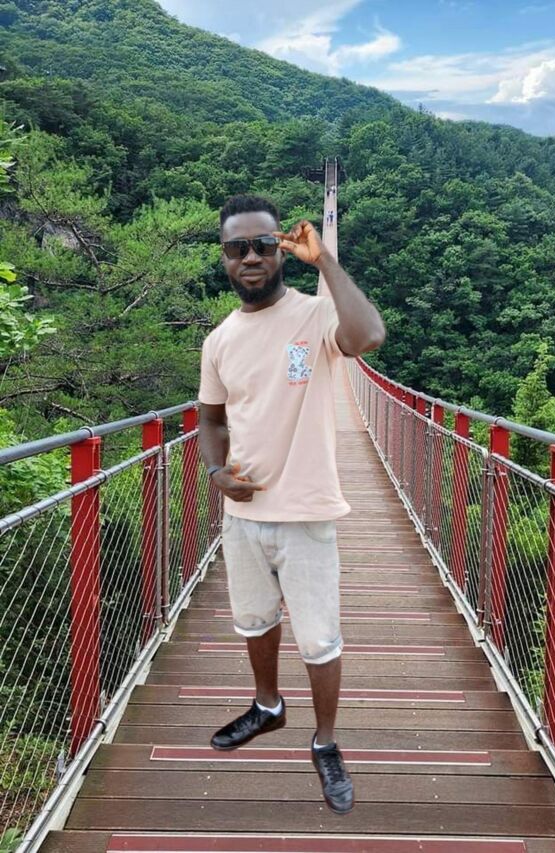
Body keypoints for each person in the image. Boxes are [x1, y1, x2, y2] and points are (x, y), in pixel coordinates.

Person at [197, 194, 385, 814]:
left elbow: (369, 336)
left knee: (319, 639)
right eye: (237, 248)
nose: (250, 257)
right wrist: (217, 472)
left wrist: (323, 260)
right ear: (224, 257)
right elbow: (210, 420)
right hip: (243, 516)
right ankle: (268, 705)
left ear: (280, 248)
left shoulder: (315, 315)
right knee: (254, 621)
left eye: (262, 244)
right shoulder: (219, 340)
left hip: (306, 513)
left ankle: (325, 741)